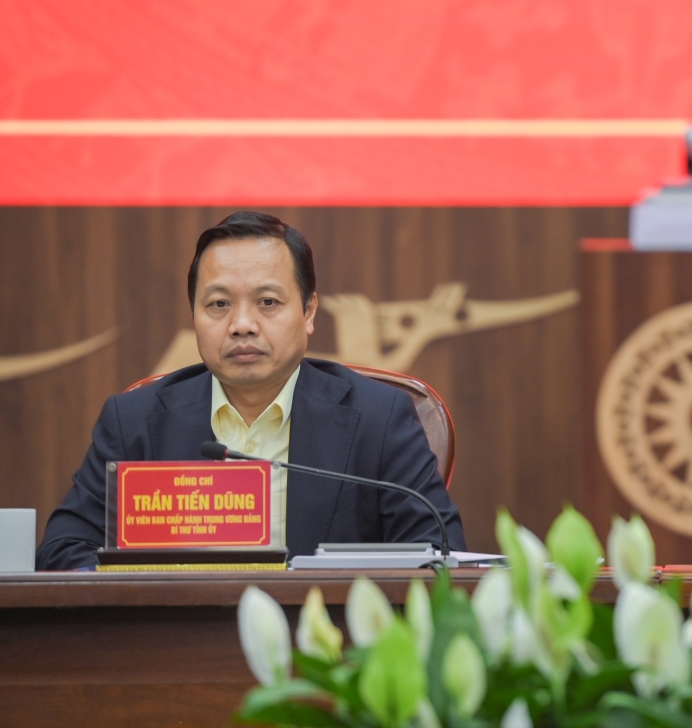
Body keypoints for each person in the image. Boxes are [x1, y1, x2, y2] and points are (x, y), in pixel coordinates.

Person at [37, 211, 465, 569]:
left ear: (309, 311)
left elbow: (438, 557)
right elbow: (62, 553)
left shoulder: (378, 418)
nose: (242, 324)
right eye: (219, 304)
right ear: (193, 315)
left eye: (268, 302)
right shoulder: (135, 422)